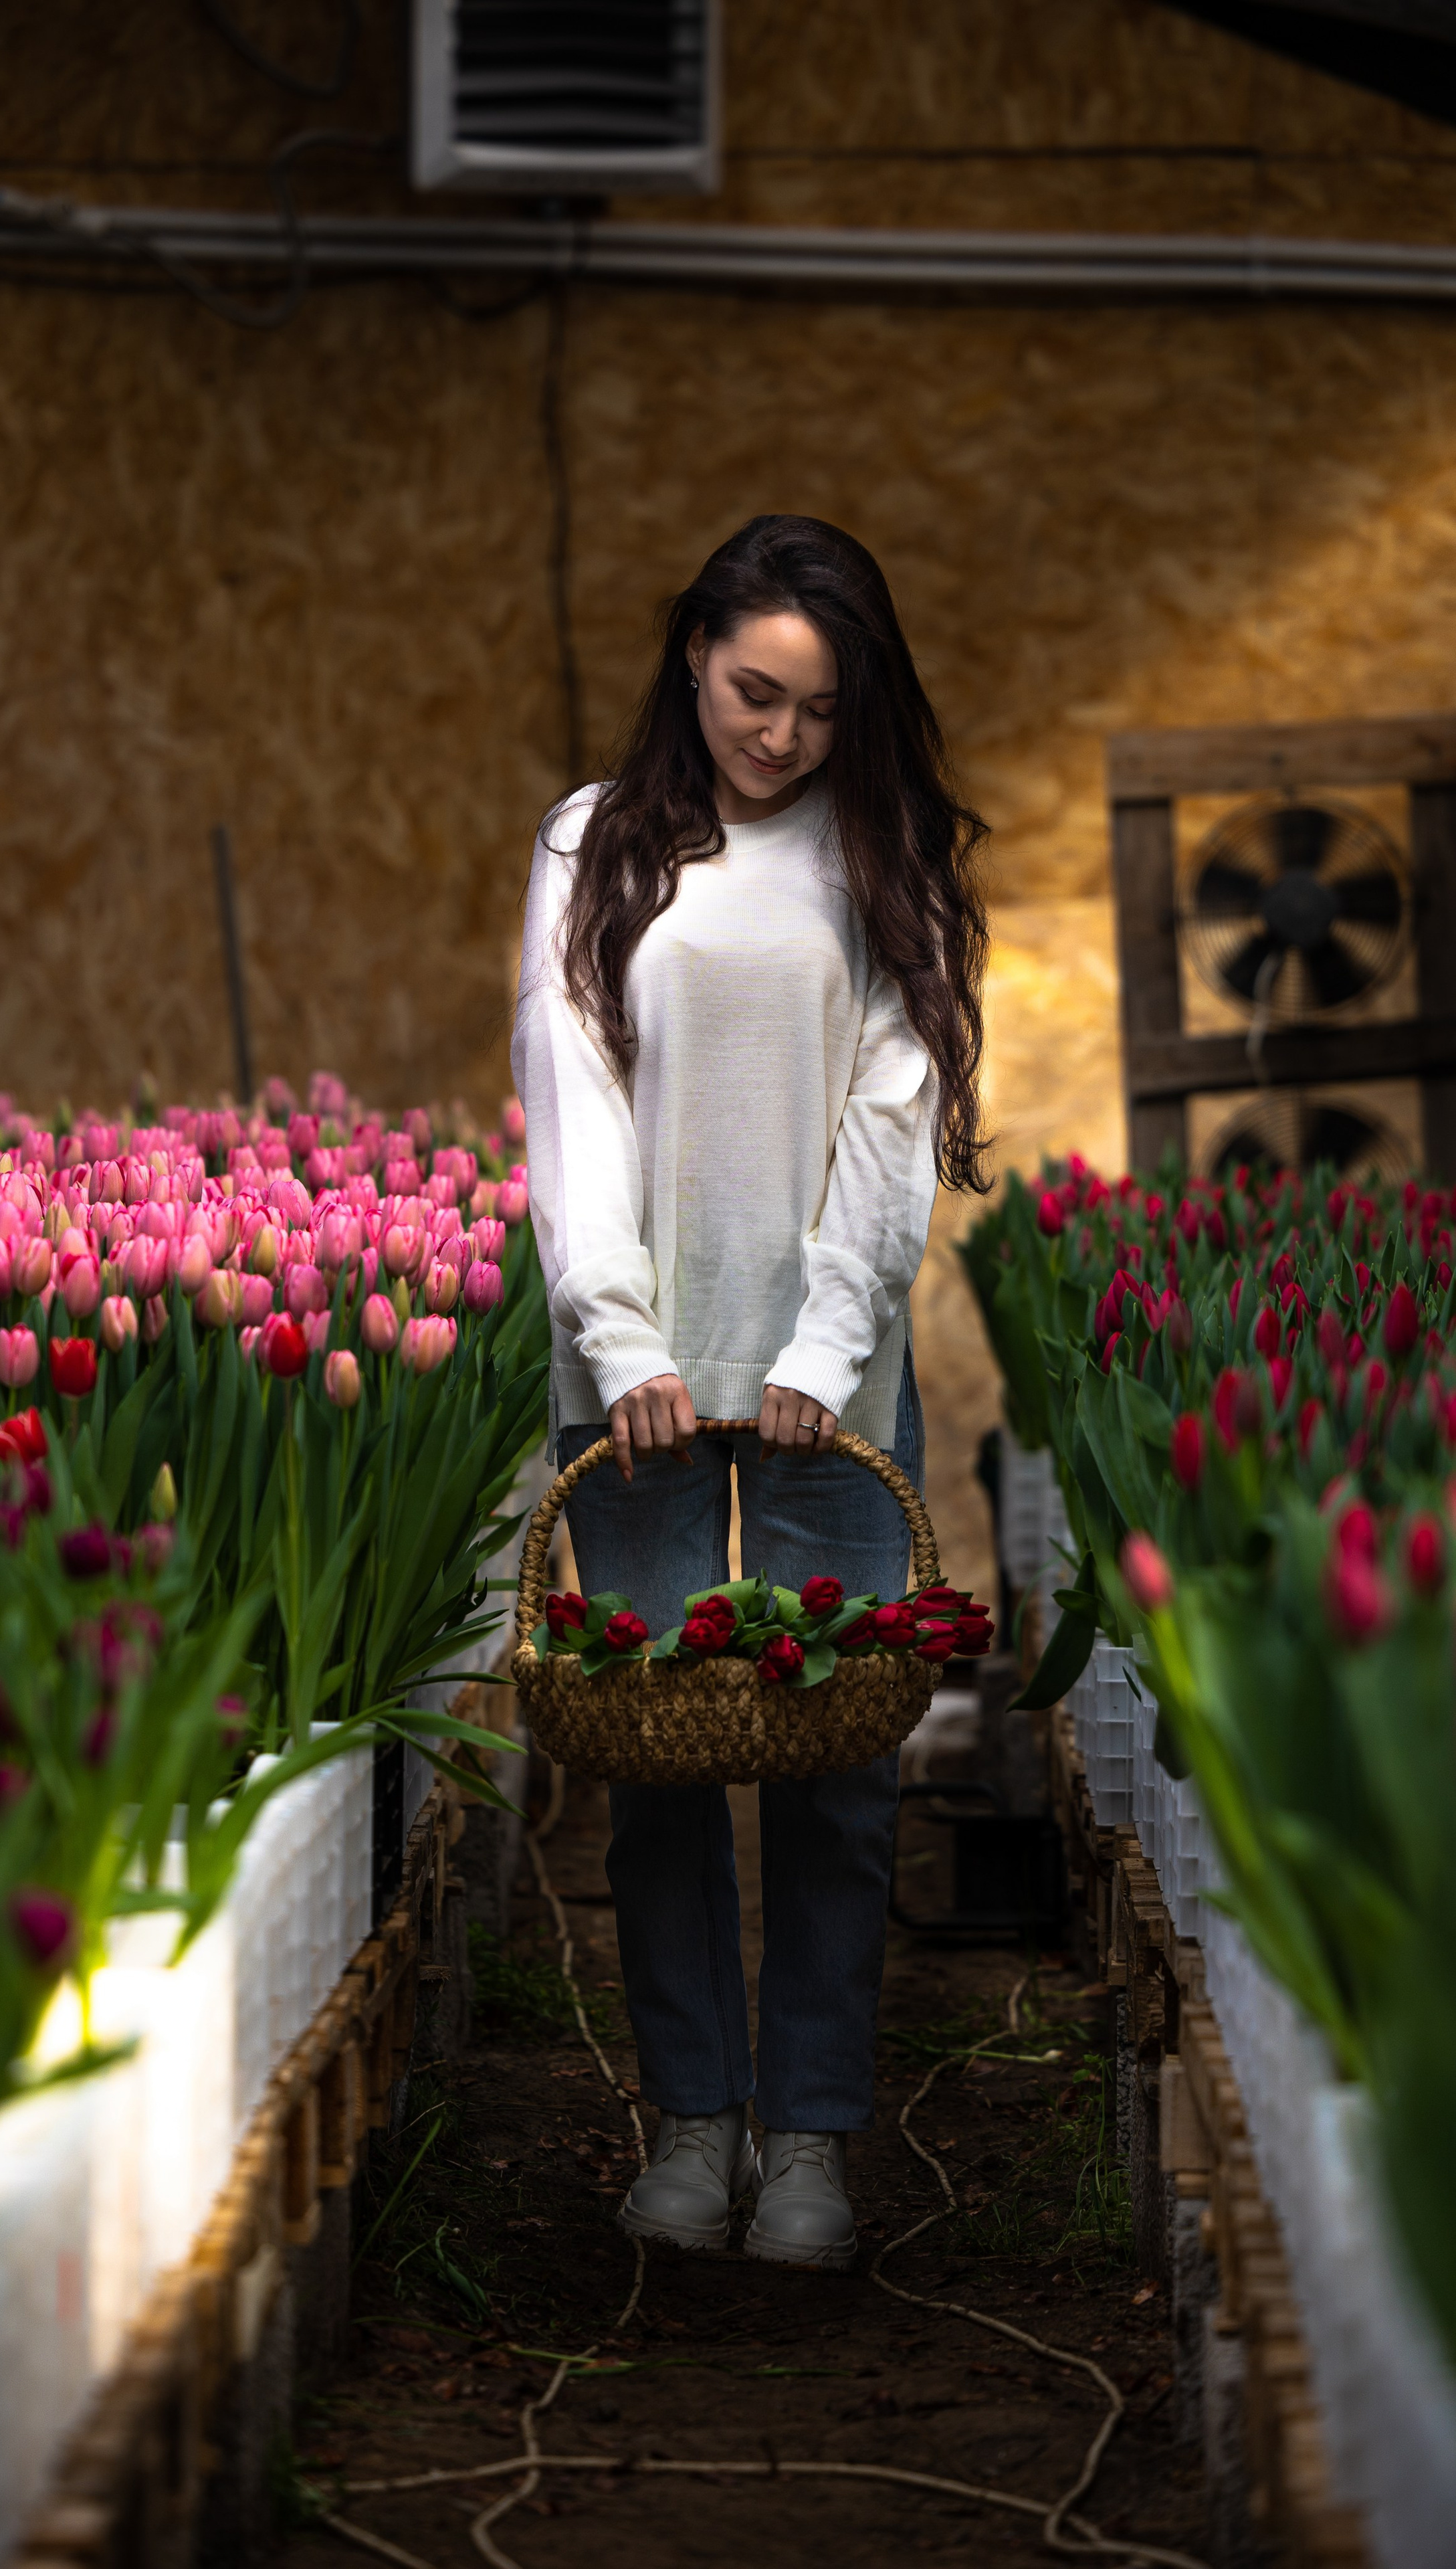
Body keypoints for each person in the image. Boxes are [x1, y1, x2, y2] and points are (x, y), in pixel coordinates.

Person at [511, 514, 989, 2269]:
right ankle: (693, 2123)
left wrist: (819, 1352)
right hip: (633, 1383)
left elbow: (893, 1115)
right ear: (693, 658)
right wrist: (623, 1342)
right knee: (658, 1770)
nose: (780, 736)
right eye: (753, 693)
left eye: (821, 708)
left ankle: (810, 2142)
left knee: (836, 1773)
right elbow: (567, 1088)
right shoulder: (595, 843)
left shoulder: (883, 856)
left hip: (826, 1393)